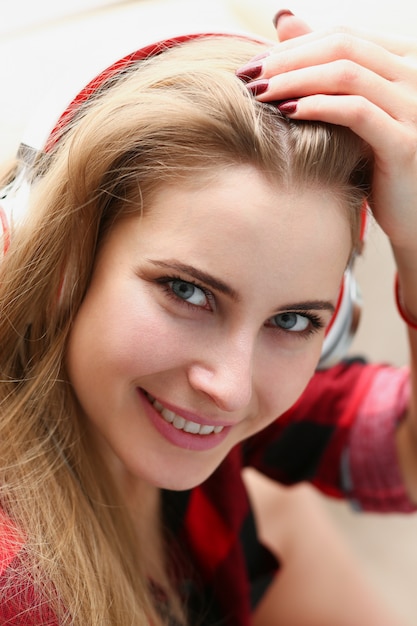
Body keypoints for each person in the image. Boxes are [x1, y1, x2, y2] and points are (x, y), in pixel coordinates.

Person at [0, 12, 416, 625]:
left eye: (295, 321)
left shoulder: (182, 406)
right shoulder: (19, 589)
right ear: (53, 254)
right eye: (187, 292)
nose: (230, 387)